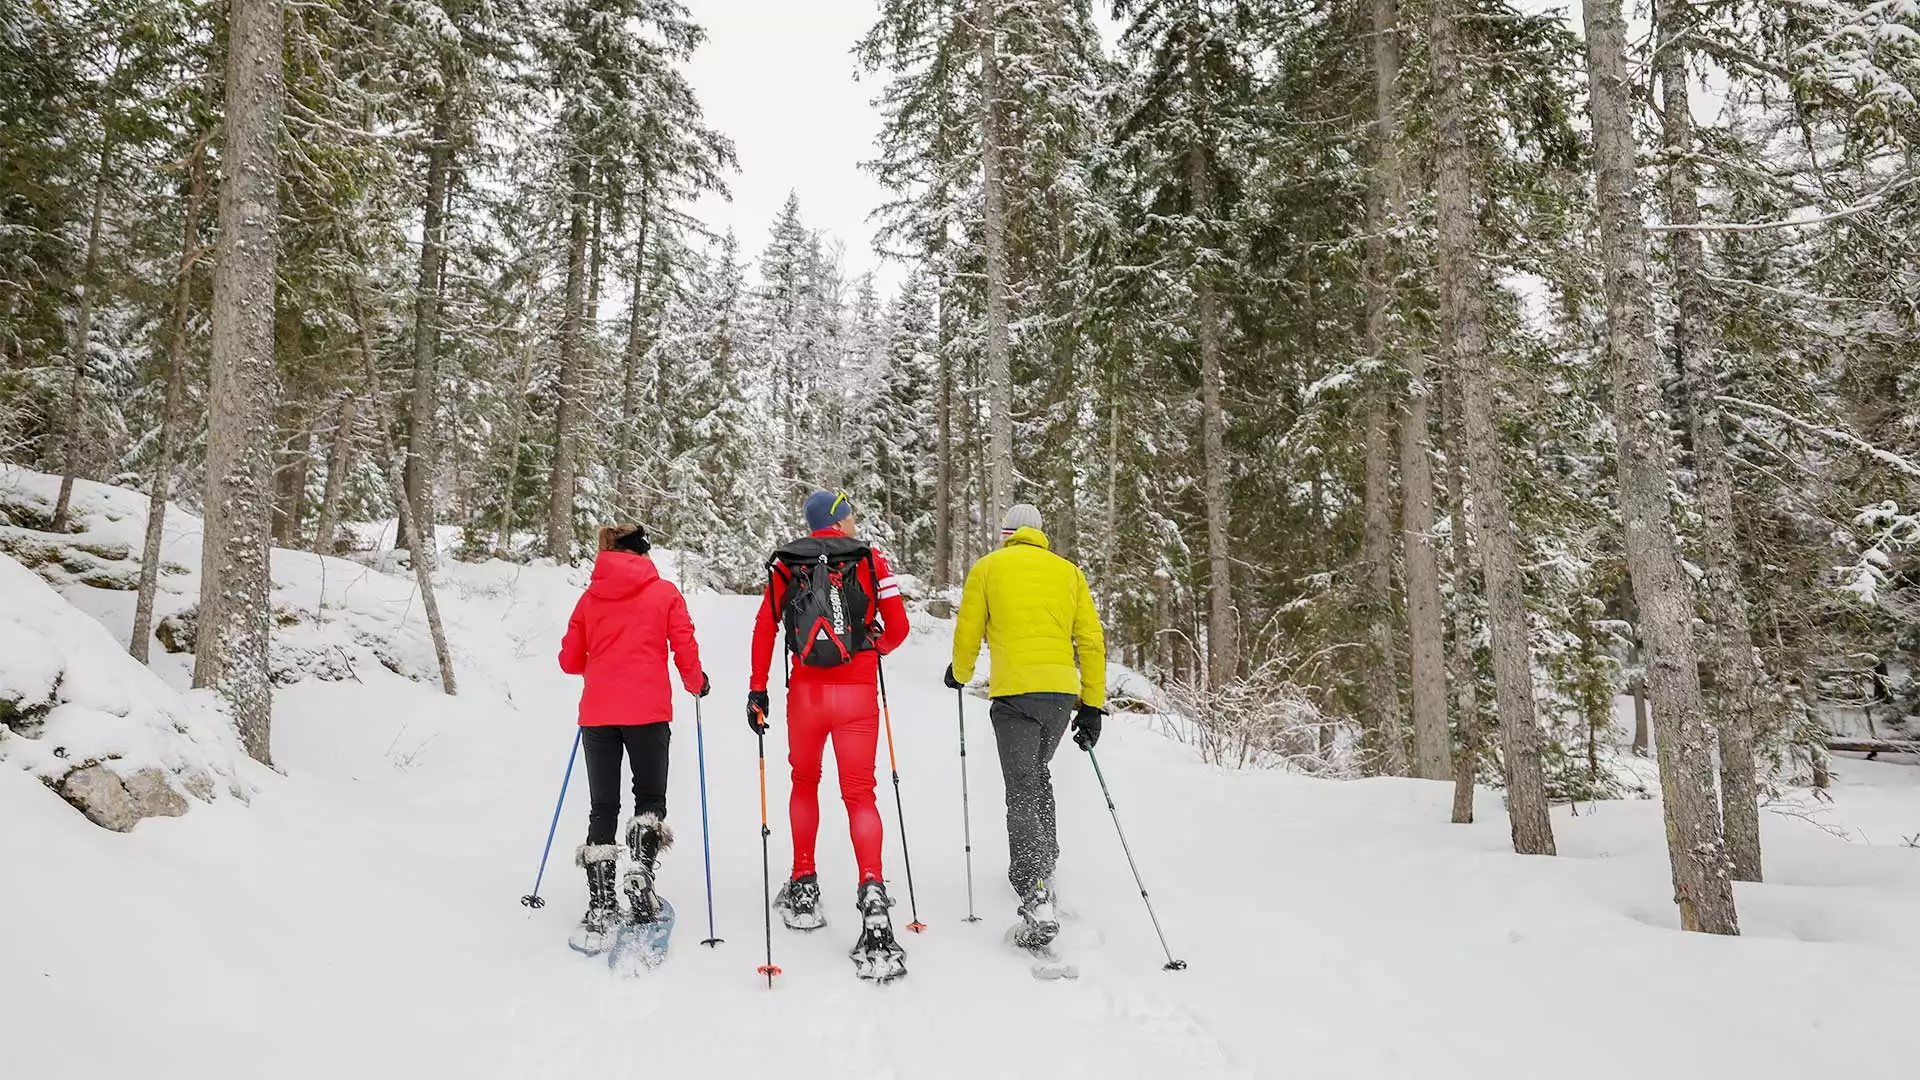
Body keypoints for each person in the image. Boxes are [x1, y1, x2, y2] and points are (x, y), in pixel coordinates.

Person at [748, 490, 911, 969]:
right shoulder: (870, 558)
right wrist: (868, 648)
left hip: (806, 695)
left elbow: (765, 627)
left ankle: (803, 887)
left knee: (804, 782)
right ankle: (874, 897)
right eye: (851, 515)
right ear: (838, 521)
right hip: (857, 691)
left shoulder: (787, 563)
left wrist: (758, 690)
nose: (855, 521)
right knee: (860, 794)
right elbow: (897, 628)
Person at [946, 502, 1105, 949]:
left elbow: (969, 629)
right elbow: (1091, 640)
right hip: (1059, 696)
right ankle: (1045, 862)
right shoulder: (1069, 573)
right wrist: (1091, 705)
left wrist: (959, 673)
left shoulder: (988, 568)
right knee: (1037, 773)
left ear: (1007, 533)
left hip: (1015, 696)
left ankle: (1034, 888)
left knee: (1020, 784)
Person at [558, 524, 709, 954]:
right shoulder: (663, 593)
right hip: (648, 713)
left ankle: (602, 905)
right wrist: (696, 683)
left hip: (599, 714)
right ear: (643, 554)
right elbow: (684, 646)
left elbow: (570, 661)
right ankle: (641, 872)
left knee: (602, 807)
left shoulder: (590, 598)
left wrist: (600, 656)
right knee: (649, 799)